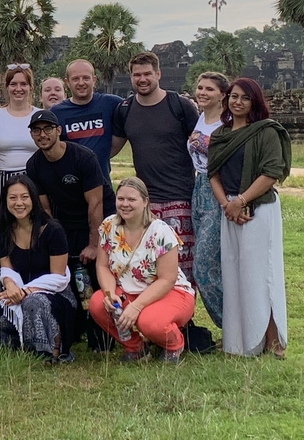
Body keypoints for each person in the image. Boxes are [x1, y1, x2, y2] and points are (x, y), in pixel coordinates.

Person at [207, 77, 290, 358]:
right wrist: (226, 205)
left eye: (244, 98)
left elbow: (272, 172)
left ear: (254, 102)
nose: (237, 102)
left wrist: (242, 200)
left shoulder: (266, 132)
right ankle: (240, 342)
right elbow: (213, 174)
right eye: (233, 96)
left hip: (259, 209)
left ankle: (271, 339)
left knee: (260, 274)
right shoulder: (221, 134)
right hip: (229, 210)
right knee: (234, 274)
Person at [24, 109, 115, 350]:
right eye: (36, 130)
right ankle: (74, 331)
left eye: (47, 129)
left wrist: (94, 244)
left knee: (96, 275)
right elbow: (44, 208)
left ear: (58, 131)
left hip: (101, 221)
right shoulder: (34, 164)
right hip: (67, 222)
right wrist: (58, 239)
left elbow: (95, 204)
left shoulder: (82, 157)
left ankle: (105, 336)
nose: (42, 134)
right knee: (70, 279)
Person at [111, 52, 199, 280]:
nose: (142, 79)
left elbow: (203, 144)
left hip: (180, 197)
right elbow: (110, 149)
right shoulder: (125, 109)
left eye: (148, 73)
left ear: (158, 74)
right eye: (137, 74)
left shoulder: (179, 106)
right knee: (146, 265)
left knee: (181, 265)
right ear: (131, 77)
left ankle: (183, 313)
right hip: (145, 202)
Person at [88, 177, 196, 363]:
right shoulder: (108, 226)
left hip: (170, 291)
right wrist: (109, 293)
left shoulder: (161, 232)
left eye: (132, 199)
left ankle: (174, 344)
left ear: (145, 202)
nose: (125, 204)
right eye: (121, 199)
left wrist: (137, 307)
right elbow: (102, 265)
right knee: (99, 304)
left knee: (149, 321)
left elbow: (167, 279)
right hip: (128, 290)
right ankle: (135, 347)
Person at [0, 175, 77, 363]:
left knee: (34, 303)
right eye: (12, 198)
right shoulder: (4, 231)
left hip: (55, 294)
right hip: (18, 290)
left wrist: (26, 291)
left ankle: (50, 351)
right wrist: (11, 287)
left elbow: (58, 277)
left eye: (24, 197)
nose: (19, 203)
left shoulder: (53, 230)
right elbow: (6, 269)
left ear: (33, 199)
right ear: (5, 201)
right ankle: (22, 347)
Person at [186, 71, 229, 329]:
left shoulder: (228, 122)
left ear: (223, 94)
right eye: (200, 87)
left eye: (209, 89)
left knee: (204, 266)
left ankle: (233, 327)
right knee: (201, 263)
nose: (202, 92)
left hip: (219, 189)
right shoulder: (201, 117)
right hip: (198, 188)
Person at [0, 63, 39, 227]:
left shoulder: (39, 115)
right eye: (13, 84)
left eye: (23, 84)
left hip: (33, 180)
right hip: (4, 181)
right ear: (6, 87)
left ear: (30, 87)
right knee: (5, 234)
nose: (18, 89)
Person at [51, 59, 124, 176]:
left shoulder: (111, 103)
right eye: (75, 79)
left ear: (94, 80)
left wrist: (104, 155)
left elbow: (135, 112)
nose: (81, 83)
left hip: (102, 183)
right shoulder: (56, 112)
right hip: (70, 184)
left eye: (86, 78)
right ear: (67, 82)